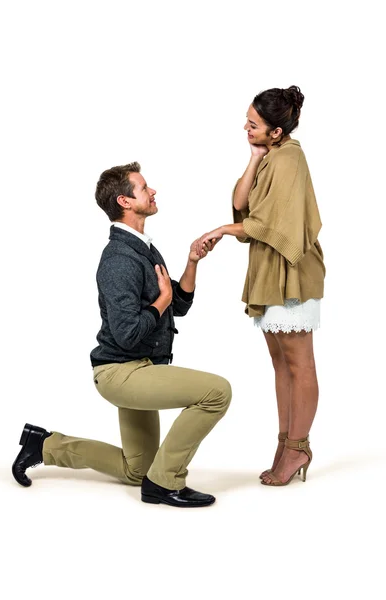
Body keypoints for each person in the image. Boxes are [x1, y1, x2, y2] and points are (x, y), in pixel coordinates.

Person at [12, 162, 232, 507]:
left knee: (136, 469)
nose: (153, 191)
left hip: (139, 367)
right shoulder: (119, 259)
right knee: (217, 392)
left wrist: (192, 262)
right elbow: (129, 333)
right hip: (121, 371)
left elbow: (179, 305)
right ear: (125, 202)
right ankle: (165, 483)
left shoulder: (143, 248)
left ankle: (44, 446)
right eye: (145, 188)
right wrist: (161, 301)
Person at [196, 86, 325, 486]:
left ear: (277, 132)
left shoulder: (290, 160)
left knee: (299, 363)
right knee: (280, 362)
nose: (245, 128)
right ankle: (286, 441)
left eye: (254, 125)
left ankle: (298, 446)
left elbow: (268, 225)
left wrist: (223, 229)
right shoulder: (270, 156)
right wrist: (253, 158)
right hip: (270, 272)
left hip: (292, 273)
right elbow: (241, 203)